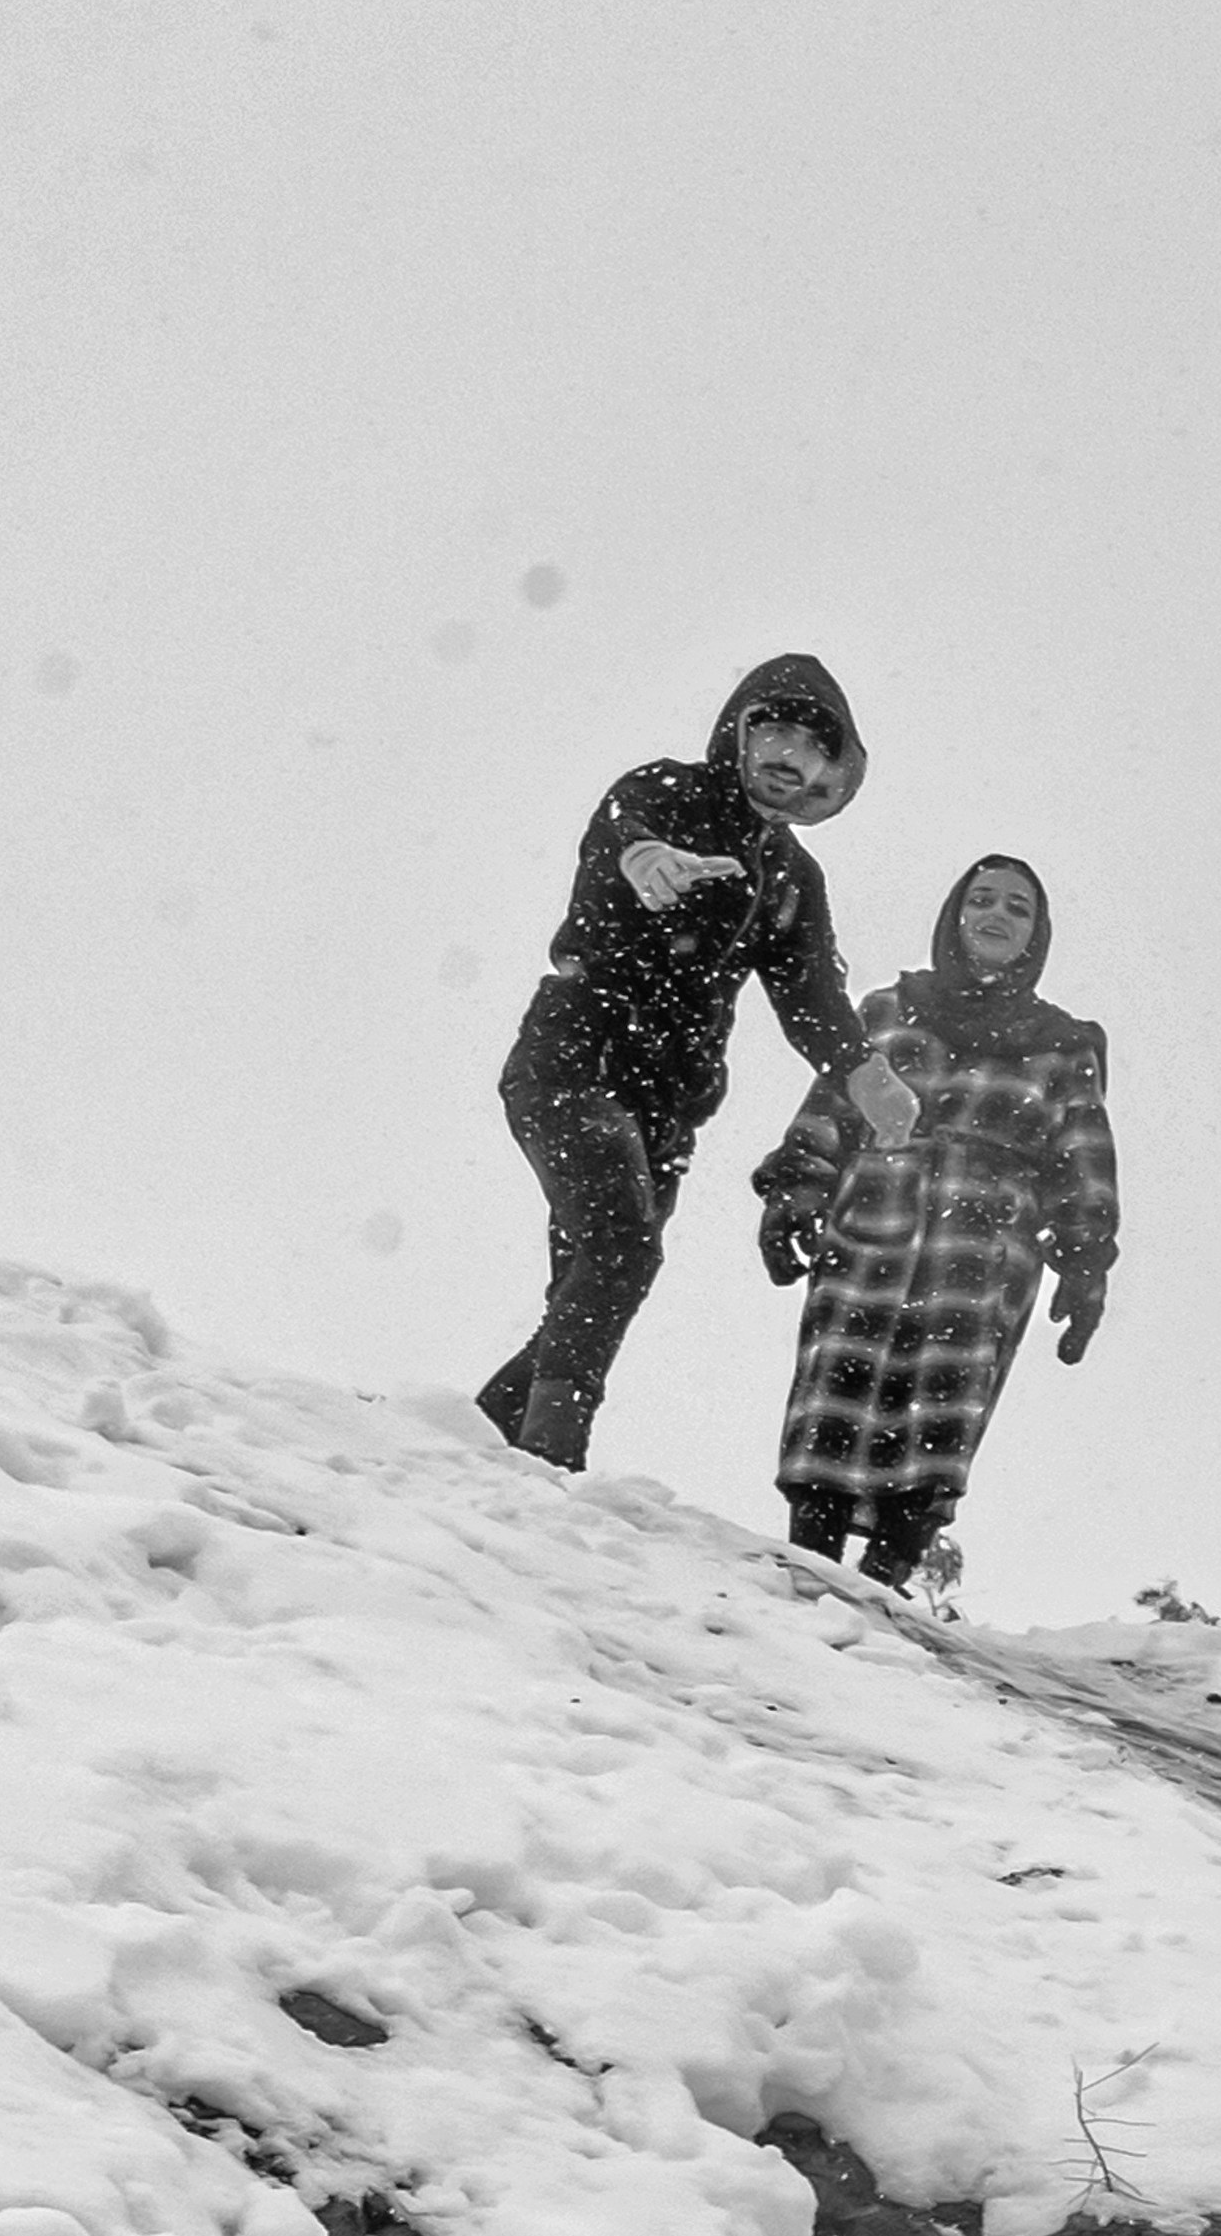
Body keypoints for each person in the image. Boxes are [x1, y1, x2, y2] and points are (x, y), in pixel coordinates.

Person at [479, 657, 871, 1468]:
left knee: (589, 1287)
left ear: (829, 773)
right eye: (775, 727)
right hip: (576, 1056)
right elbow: (620, 826)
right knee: (623, 1248)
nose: (789, 752)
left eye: (811, 744)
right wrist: (642, 856)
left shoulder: (793, 877)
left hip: (669, 1105)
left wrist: (870, 1077)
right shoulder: (667, 790)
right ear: (740, 730)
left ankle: (480, 1444)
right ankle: (553, 1456)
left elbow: (812, 1000)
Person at [744, 853, 1119, 1597]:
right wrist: (795, 1190)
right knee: (835, 1399)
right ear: (954, 914)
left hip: (982, 1249)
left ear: (1037, 934)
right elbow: (833, 1107)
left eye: (1018, 908)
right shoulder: (888, 1011)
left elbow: (1082, 1154)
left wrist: (1087, 1262)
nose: (996, 916)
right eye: (982, 899)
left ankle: (885, 1591)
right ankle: (807, 1581)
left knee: (938, 1419)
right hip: (874, 1220)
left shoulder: (1063, 1044)